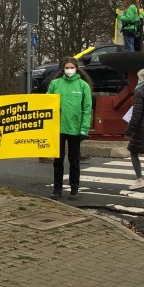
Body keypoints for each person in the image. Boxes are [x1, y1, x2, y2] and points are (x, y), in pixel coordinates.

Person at [46, 57, 93, 199]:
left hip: (75, 129)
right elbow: (46, 104)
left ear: (77, 68)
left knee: (74, 161)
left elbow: (87, 109)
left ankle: (74, 189)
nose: (69, 70)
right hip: (57, 128)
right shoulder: (55, 84)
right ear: (62, 69)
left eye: (72, 67)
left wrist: (84, 129)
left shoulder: (83, 86)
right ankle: (57, 189)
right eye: (67, 67)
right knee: (58, 161)